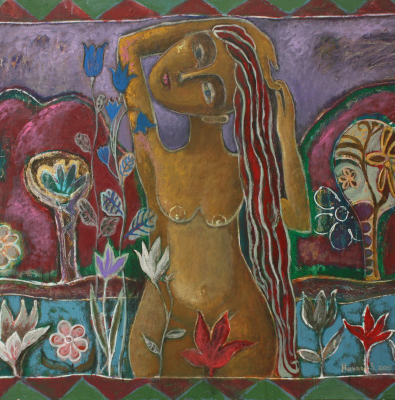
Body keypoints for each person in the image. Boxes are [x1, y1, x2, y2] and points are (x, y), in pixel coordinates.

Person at [117, 18, 310, 377]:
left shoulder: (243, 171)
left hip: (239, 318)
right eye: (199, 52)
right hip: (166, 320)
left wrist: (286, 139)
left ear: (222, 112)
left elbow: (299, 219)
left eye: (208, 90)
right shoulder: (156, 158)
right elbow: (129, 48)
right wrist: (226, 25)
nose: (184, 76)